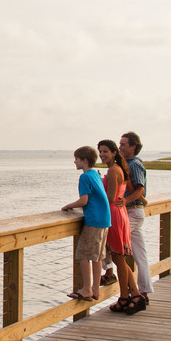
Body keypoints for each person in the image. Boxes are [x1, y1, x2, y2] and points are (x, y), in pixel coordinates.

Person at [97, 139, 144, 314]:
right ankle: (134, 295)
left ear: (114, 152)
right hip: (120, 212)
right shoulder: (119, 169)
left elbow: (109, 198)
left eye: (105, 152)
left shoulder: (112, 171)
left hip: (113, 215)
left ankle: (126, 297)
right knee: (120, 258)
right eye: (100, 152)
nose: (102, 155)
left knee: (118, 258)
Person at [61, 145, 110, 302]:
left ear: (84, 160)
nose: (74, 161)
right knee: (97, 257)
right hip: (105, 220)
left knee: (83, 254)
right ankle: (95, 289)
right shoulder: (95, 175)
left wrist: (68, 206)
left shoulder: (85, 177)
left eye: (76, 159)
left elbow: (84, 200)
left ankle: (86, 289)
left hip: (94, 221)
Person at [118, 131, 153, 306]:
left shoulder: (135, 165)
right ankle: (144, 292)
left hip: (132, 211)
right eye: (120, 144)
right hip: (132, 211)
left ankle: (109, 272)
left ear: (133, 147)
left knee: (113, 244)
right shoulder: (125, 163)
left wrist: (125, 200)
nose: (120, 147)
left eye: (123, 144)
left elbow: (140, 190)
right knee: (140, 254)